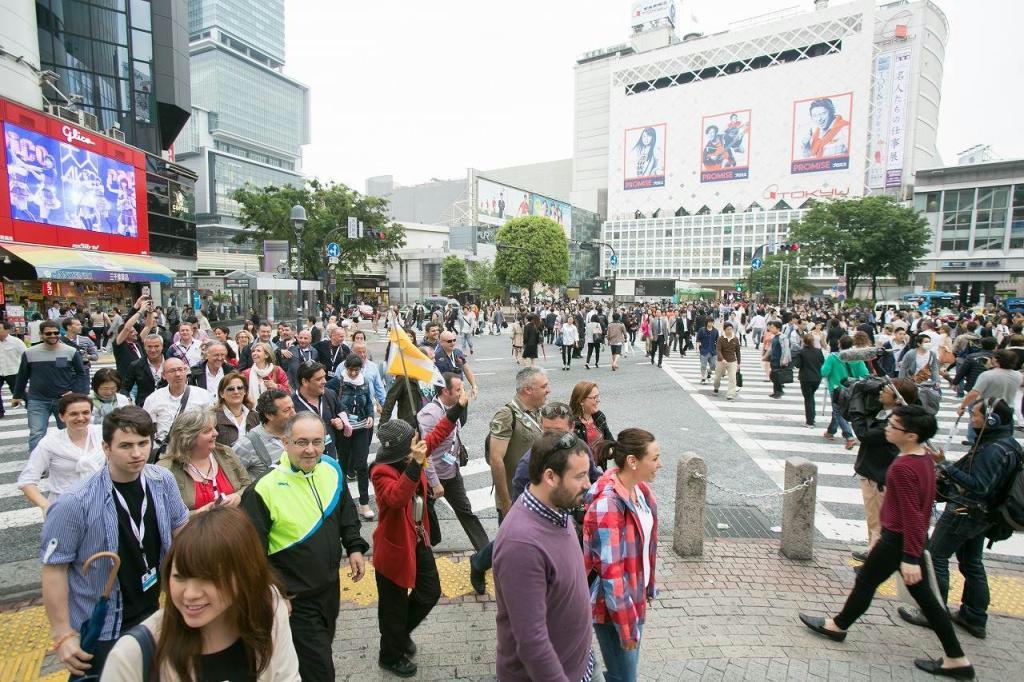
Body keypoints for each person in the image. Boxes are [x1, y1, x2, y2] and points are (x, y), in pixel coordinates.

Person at [798, 405, 974, 680]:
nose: (887, 428)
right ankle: (956, 658)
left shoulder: (904, 467)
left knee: (871, 584)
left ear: (911, 435)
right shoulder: (924, 459)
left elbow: (912, 514)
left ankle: (838, 626)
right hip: (907, 540)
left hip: (899, 540)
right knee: (920, 598)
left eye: (893, 426)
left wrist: (911, 557)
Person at [42, 407, 189, 679]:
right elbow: (54, 568)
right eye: (125, 446)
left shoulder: (162, 480)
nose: (137, 453)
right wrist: (63, 634)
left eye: (143, 443)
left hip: (154, 611)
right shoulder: (74, 502)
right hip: (104, 626)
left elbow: (181, 530)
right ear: (106, 448)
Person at [101, 507, 301, 681]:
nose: (190, 594)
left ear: (244, 574)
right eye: (179, 577)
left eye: (207, 578)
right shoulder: (133, 655)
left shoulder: (268, 607)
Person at [241, 412, 369, 682]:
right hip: (295, 601)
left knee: (313, 660)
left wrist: (354, 547)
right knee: (321, 672)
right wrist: (275, 595)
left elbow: (345, 510)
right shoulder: (262, 490)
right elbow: (250, 557)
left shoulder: (331, 468)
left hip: (329, 589)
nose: (310, 450)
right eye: (301, 442)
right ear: (285, 442)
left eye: (317, 442)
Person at [899, 398, 1021, 640]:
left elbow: (980, 485)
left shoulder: (994, 449)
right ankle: (974, 616)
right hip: (984, 515)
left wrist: (945, 465)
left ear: (991, 420)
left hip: (965, 512)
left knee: (936, 557)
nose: (972, 419)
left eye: (976, 415)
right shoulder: (1008, 444)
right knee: (972, 563)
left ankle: (934, 613)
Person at [493, 430, 595, 682]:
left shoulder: (558, 510)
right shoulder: (521, 544)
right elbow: (532, 643)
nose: (588, 484)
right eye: (579, 476)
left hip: (582, 664)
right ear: (550, 477)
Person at [369, 410, 462, 677]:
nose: (419, 441)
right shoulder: (381, 471)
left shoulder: (414, 455)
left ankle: (397, 636)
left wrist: (457, 408)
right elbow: (396, 498)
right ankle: (390, 655)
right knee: (393, 607)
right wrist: (415, 466)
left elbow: (437, 434)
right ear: (402, 448)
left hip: (419, 539)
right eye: (413, 439)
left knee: (429, 591)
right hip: (395, 548)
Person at [585, 429, 662, 682]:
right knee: (625, 677)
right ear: (632, 461)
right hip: (614, 609)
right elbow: (612, 572)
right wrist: (627, 627)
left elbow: (644, 547)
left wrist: (648, 586)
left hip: (634, 598)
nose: (659, 464)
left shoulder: (641, 491)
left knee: (624, 675)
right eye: (654, 458)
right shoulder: (609, 505)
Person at [416, 373, 488, 592]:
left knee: (466, 513)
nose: (462, 393)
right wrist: (434, 482)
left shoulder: (455, 407)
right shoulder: (429, 414)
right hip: (433, 479)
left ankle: (485, 556)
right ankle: (421, 564)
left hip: (452, 473)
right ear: (445, 391)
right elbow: (424, 452)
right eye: (458, 389)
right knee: (424, 522)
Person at [18, 393, 105, 511]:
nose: (81, 418)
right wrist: (46, 506)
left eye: (85, 412)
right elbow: (26, 480)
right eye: (73, 414)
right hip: (65, 507)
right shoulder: (50, 442)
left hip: (102, 503)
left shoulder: (102, 433)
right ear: (62, 417)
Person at [14, 319, 90, 451]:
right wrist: (17, 395)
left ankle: (71, 457)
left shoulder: (71, 351)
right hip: (37, 399)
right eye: (48, 333)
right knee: (36, 433)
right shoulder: (30, 353)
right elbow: (22, 376)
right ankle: (37, 461)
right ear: (41, 335)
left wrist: (75, 391)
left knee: (68, 431)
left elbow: (81, 374)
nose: (53, 336)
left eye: (55, 333)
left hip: (63, 400)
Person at [157, 409, 250, 514]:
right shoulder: (166, 470)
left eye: (214, 428)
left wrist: (238, 496)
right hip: (194, 525)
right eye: (207, 431)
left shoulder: (225, 453)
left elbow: (247, 485)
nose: (216, 433)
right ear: (188, 437)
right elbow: (163, 514)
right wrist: (199, 513)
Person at [335, 355, 376, 519]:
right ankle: (341, 503)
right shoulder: (337, 383)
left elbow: (368, 402)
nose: (353, 373)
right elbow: (331, 403)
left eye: (356, 370)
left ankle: (364, 503)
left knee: (362, 465)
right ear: (345, 367)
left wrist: (371, 415)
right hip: (344, 430)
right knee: (343, 465)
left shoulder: (365, 382)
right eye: (350, 370)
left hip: (362, 428)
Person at [143, 358, 214, 445]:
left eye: (181, 369)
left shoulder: (203, 395)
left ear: (186, 371)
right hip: (166, 447)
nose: (177, 374)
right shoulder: (153, 399)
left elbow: (211, 424)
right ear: (164, 375)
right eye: (172, 371)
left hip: (195, 446)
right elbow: (146, 428)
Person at [233, 388, 294, 479]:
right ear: (269, 415)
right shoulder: (246, 444)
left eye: (293, 407)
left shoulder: (299, 433)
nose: (294, 413)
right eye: (286, 410)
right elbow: (232, 478)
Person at [821, 336, 867, 449]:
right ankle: (830, 432)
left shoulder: (833, 357)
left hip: (837, 388)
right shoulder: (857, 357)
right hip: (853, 389)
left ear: (839, 344)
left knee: (838, 412)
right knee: (837, 411)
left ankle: (849, 437)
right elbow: (864, 373)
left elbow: (824, 372)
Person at [212, 372, 259, 447]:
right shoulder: (213, 418)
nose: (236, 392)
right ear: (221, 394)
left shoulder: (255, 416)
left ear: (245, 391)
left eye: (240, 388)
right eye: (231, 389)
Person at [121, 333, 167, 407]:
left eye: (156, 346)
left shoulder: (172, 363)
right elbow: (125, 387)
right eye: (149, 346)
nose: (153, 350)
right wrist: (128, 400)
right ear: (144, 347)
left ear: (162, 346)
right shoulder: (136, 365)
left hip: (168, 404)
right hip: (144, 406)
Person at [792, 333, 825, 427]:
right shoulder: (818, 351)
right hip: (817, 377)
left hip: (806, 378)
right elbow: (822, 361)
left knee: (808, 399)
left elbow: (797, 365)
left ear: (804, 341)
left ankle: (810, 421)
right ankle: (812, 418)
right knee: (811, 397)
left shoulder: (801, 352)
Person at [571, 380, 613, 450]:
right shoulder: (572, 424)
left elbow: (611, 442)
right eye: (594, 397)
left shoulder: (599, 416)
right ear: (581, 400)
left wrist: (611, 450)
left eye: (598, 397)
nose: (598, 400)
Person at [0, 320, 25, 418]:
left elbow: (25, 355)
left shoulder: (16, 342)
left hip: (13, 371)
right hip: (0, 371)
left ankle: (32, 406)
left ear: (7, 330)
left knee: (19, 392)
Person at [713, 321, 741, 400]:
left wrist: (739, 363)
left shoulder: (735, 339)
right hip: (721, 361)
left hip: (732, 361)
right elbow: (718, 350)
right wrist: (722, 359)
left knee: (732, 378)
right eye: (728, 329)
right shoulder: (720, 339)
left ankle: (730, 394)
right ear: (724, 330)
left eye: (731, 329)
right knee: (717, 377)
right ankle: (716, 387)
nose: (730, 331)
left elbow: (738, 352)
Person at [696, 318, 718, 383]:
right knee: (703, 366)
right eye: (709, 322)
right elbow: (698, 340)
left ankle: (709, 372)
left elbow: (718, 341)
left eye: (712, 322)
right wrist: (697, 348)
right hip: (704, 351)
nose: (711, 323)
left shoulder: (715, 331)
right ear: (707, 323)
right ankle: (703, 378)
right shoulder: (702, 330)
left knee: (714, 366)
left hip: (713, 351)